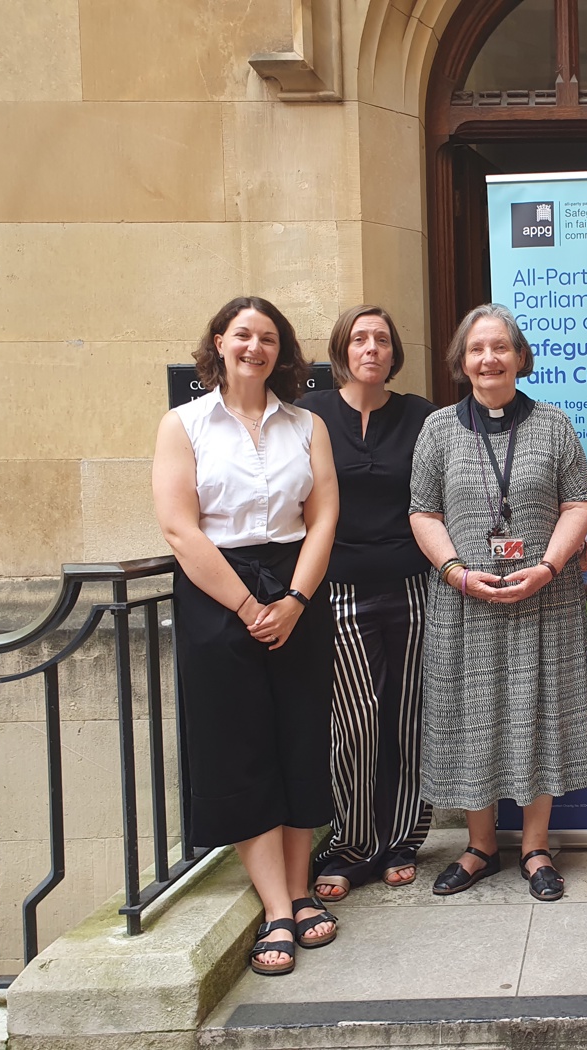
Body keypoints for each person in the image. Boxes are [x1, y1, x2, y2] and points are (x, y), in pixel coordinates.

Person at [152, 296, 340, 977]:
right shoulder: (184, 425)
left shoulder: (307, 425)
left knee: (298, 738)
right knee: (240, 749)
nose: (254, 347)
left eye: (267, 338)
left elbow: (322, 519)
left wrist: (291, 599)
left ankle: (296, 886)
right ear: (219, 343)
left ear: (281, 352)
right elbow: (179, 529)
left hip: (297, 587)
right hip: (216, 592)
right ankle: (278, 908)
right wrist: (246, 603)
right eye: (242, 335)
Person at [408, 303, 587, 902]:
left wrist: (546, 567)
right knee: (471, 717)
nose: (488, 359)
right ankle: (481, 846)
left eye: (500, 347)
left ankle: (537, 846)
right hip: (465, 604)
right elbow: (423, 511)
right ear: (462, 362)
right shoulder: (438, 429)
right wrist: (456, 571)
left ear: (520, 357)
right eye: (476, 350)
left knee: (537, 713)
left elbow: (579, 504)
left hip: (543, 599)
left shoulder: (553, 426)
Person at [298, 305, 435, 902]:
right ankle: (354, 841)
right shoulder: (310, 417)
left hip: (412, 584)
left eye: (382, 338)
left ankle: (403, 837)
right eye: (360, 339)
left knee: (409, 714)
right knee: (353, 718)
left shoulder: (422, 416)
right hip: (340, 588)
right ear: (342, 350)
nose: (372, 349)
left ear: (393, 351)